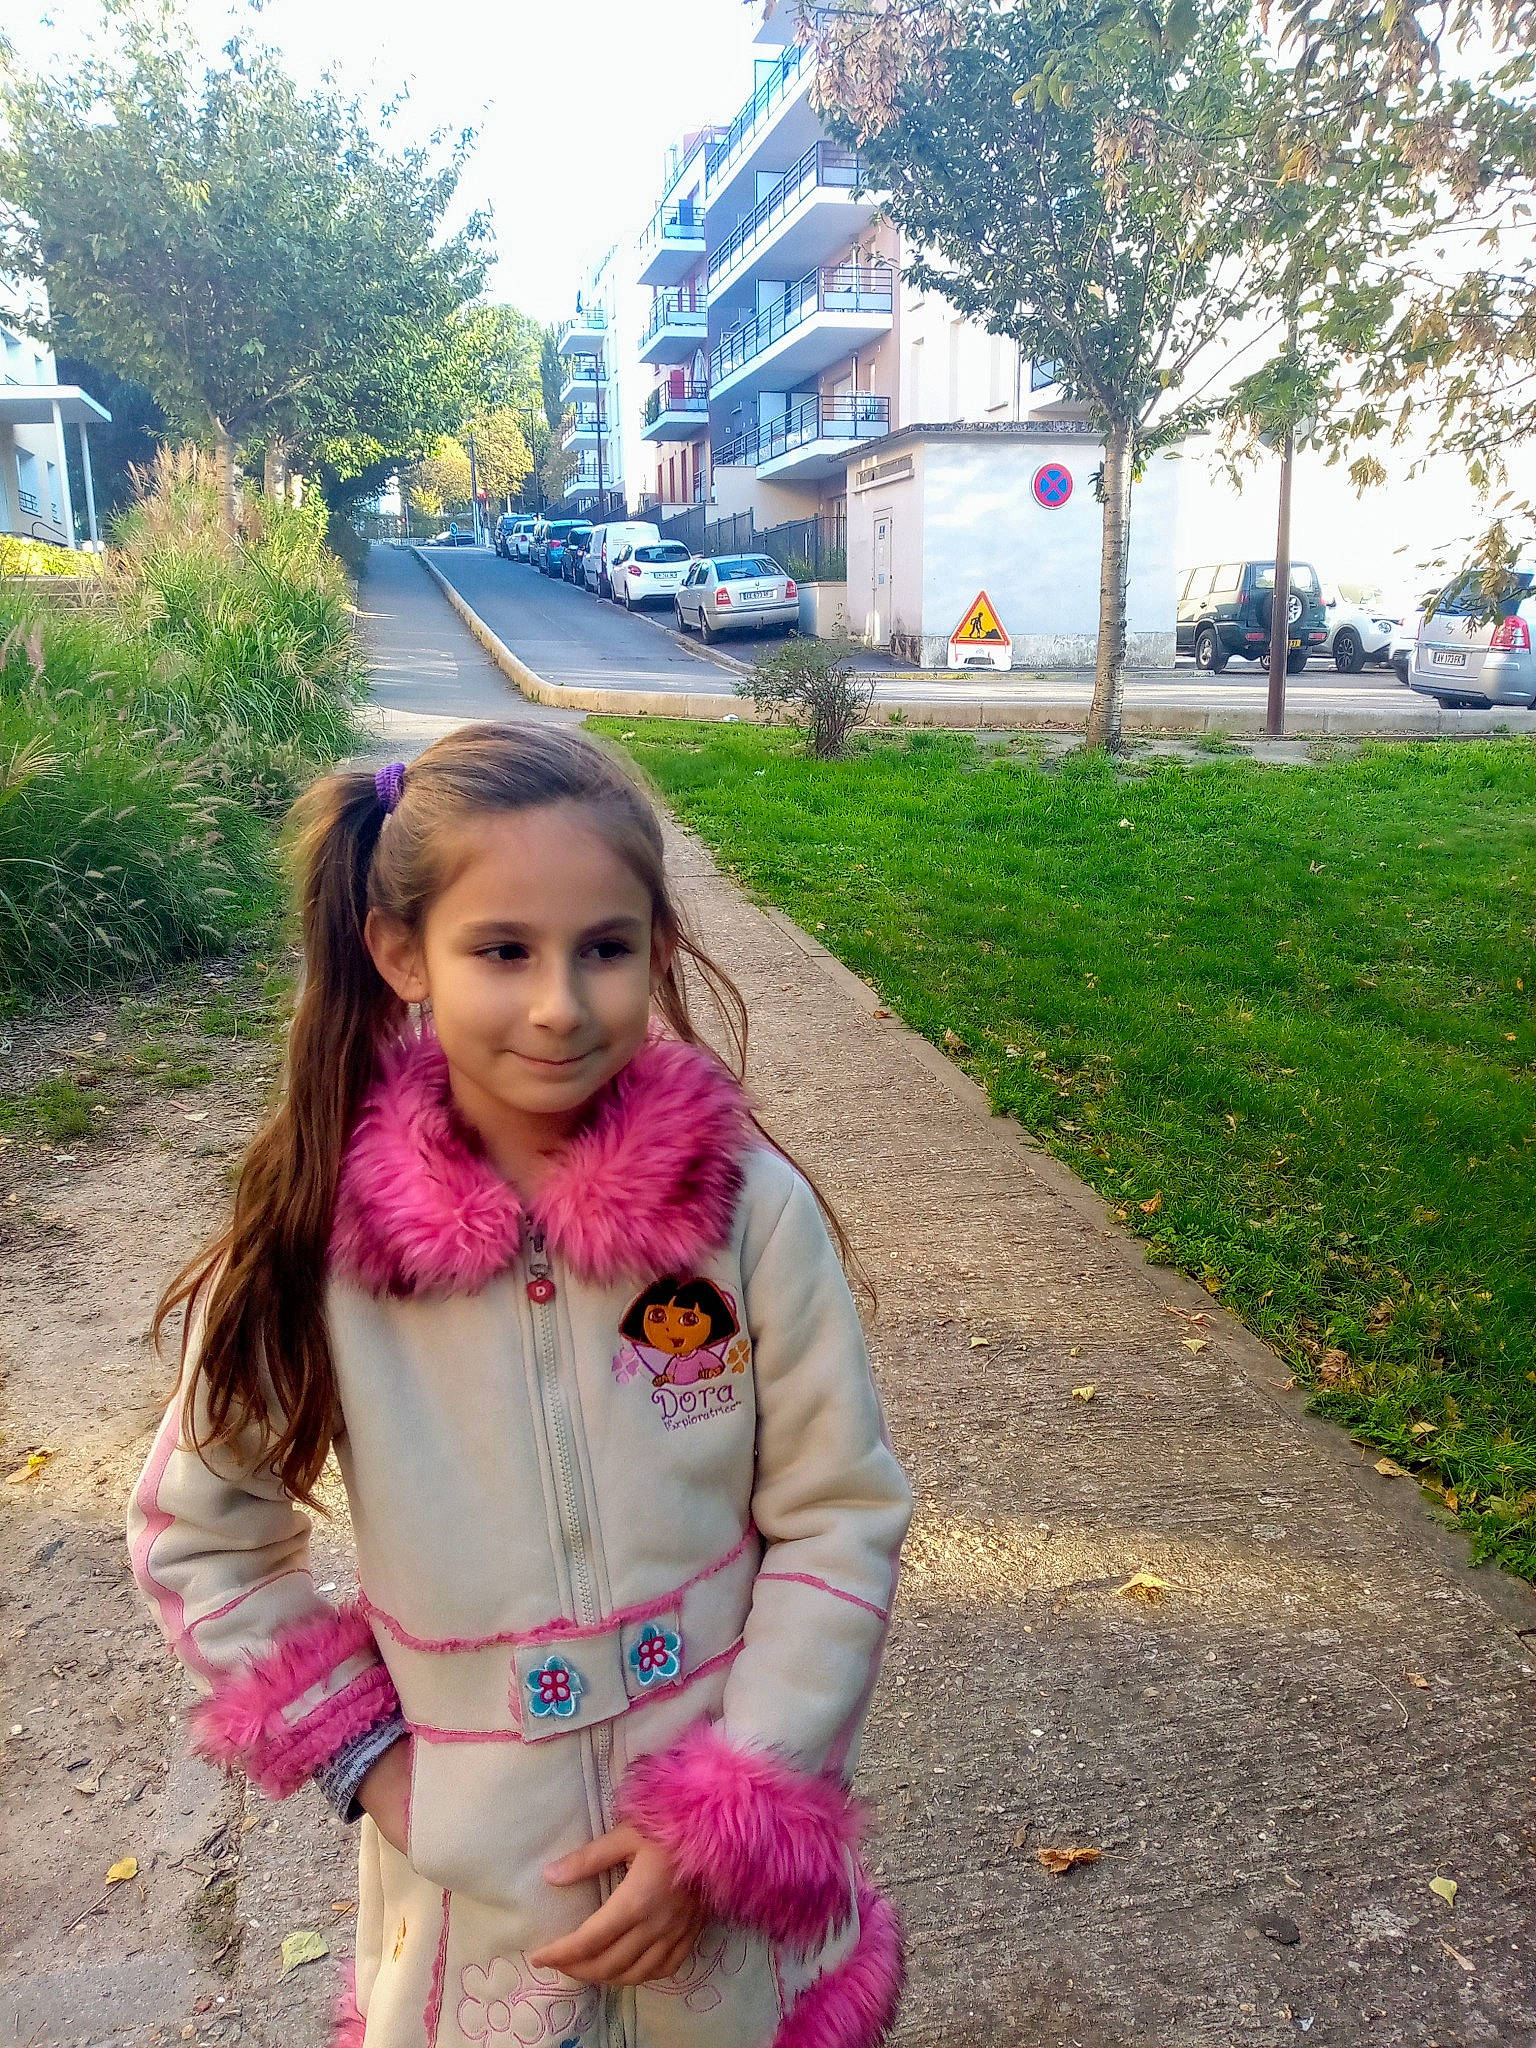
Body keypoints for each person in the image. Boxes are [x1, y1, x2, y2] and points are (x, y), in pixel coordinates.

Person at [127, 725, 913, 2048]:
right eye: (504, 951)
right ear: (399, 953)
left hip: (727, 1933)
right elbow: (196, 1537)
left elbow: (840, 1516)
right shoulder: (326, 1247)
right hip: (479, 1941)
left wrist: (734, 1815)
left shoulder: (745, 1214)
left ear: (655, 946)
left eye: (604, 949)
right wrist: (381, 1773)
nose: (561, 1003)